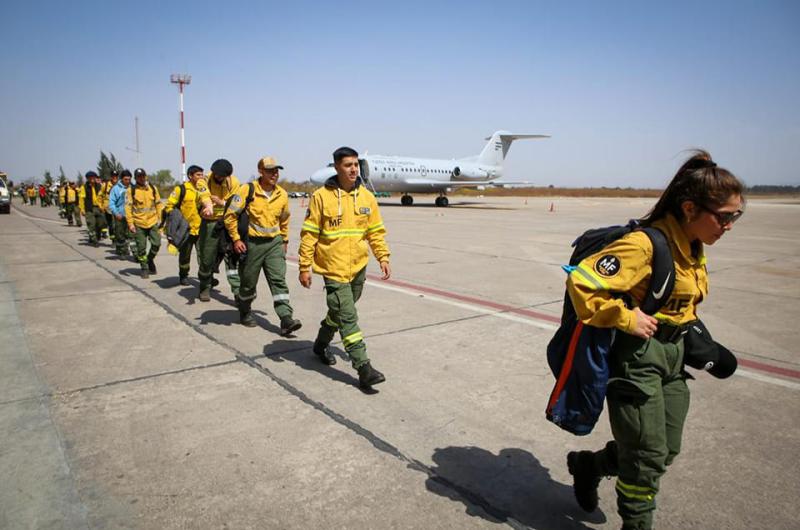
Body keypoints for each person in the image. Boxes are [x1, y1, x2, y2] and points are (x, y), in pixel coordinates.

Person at [564, 150, 744, 530]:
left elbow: (681, 303)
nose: (729, 226)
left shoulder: (693, 247)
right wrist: (625, 318)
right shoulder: (645, 245)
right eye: (724, 216)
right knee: (645, 457)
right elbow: (582, 281)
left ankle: (589, 465)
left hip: (673, 357)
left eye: (736, 217)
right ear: (691, 208)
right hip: (637, 358)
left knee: (664, 451)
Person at [299, 147, 391, 390]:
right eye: (348, 165)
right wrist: (304, 266)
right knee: (348, 317)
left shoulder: (367, 197)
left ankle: (320, 344)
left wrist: (382, 256)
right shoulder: (321, 197)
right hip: (333, 268)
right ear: (337, 167)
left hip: (358, 266)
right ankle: (363, 367)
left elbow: (375, 231)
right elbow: (309, 234)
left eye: (355, 165)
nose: (353, 169)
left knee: (339, 312)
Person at [224, 156, 301, 334]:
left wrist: (285, 240)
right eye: (270, 170)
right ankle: (244, 311)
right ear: (261, 171)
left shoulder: (282, 194)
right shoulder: (247, 190)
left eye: (276, 170)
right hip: (252, 244)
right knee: (248, 283)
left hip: (274, 244)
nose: (274, 174)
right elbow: (230, 216)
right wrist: (236, 239)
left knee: (278, 280)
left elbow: (284, 220)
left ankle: (285, 318)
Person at [196, 159, 240, 302]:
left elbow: (236, 202)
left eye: (224, 177)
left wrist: (220, 202)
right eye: (219, 176)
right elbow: (204, 195)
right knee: (207, 258)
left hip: (228, 223)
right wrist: (208, 205)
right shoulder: (204, 180)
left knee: (231, 258)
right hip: (210, 224)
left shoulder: (233, 182)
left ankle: (238, 294)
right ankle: (204, 286)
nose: (221, 179)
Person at [163, 165, 212, 285]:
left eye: (202, 174)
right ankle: (183, 275)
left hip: (201, 228)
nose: (201, 177)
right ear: (190, 176)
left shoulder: (204, 189)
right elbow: (169, 206)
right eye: (198, 175)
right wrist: (177, 219)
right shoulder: (181, 189)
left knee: (204, 255)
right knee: (185, 255)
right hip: (186, 229)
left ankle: (205, 278)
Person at [125, 168, 163, 279]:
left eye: (143, 176)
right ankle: (144, 267)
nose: (141, 178)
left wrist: (162, 220)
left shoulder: (152, 188)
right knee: (141, 248)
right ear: (135, 178)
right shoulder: (131, 190)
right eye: (138, 176)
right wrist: (130, 223)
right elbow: (128, 208)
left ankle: (150, 259)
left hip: (152, 222)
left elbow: (159, 205)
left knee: (156, 244)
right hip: (139, 223)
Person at [109, 170, 132, 256]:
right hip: (120, 215)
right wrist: (116, 213)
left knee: (130, 235)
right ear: (122, 179)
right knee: (120, 235)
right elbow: (111, 203)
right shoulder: (115, 189)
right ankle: (121, 251)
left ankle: (126, 250)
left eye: (129, 179)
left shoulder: (132, 188)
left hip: (130, 216)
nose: (128, 181)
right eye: (126, 179)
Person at [80, 171, 106, 246]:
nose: (92, 179)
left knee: (100, 224)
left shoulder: (99, 186)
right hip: (89, 208)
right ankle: (94, 240)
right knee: (91, 224)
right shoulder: (84, 187)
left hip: (98, 208)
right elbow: (81, 199)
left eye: (93, 177)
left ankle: (96, 237)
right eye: (90, 177)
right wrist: (82, 209)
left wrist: (103, 206)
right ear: (87, 178)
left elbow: (103, 197)